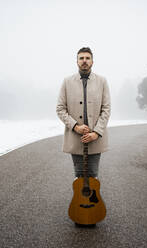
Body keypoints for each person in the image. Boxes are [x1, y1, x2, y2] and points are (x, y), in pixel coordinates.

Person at [56, 47, 111, 179]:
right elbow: (60, 108)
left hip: (95, 139)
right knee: (79, 177)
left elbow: (106, 109)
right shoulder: (67, 82)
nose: (84, 61)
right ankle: (80, 201)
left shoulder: (102, 81)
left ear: (92, 61)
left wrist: (96, 133)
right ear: (77, 61)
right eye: (81, 58)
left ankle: (93, 200)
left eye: (87, 58)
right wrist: (75, 126)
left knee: (93, 177)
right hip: (76, 138)